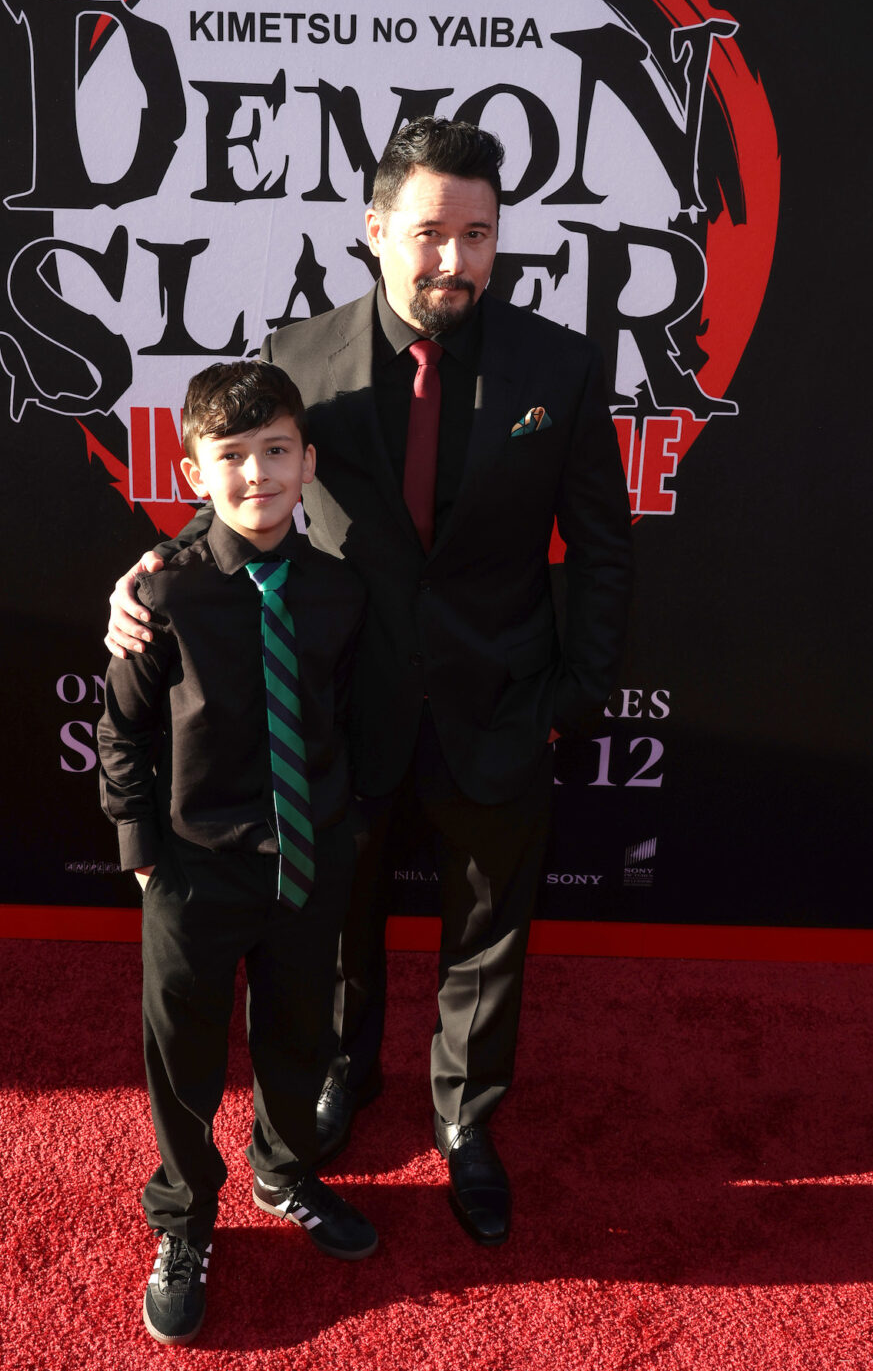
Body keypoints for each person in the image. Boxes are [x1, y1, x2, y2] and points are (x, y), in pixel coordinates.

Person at [106, 117, 632, 1248]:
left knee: (487, 929)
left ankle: (466, 1119)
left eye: (477, 235)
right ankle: (346, 1075)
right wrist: (151, 572)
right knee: (338, 920)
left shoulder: (557, 365)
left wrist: (576, 692)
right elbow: (239, 491)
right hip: (339, 705)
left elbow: (601, 544)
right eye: (431, 233)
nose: (455, 259)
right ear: (375, 230)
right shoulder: (301, 357)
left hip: (502, 698)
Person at [98, 360, 375, 1347]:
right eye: (231, 456)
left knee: (298, 1033)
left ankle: (283, 1172)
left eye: (275, 451)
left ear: (308, 462)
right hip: (192, 869)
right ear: (193, 473)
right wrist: (142, 853)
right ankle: (184, 1217)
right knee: (183, 1056)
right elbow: (121, 732)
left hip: (305, 860)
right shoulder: (160, 593)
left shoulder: (339, 591)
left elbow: (352, 718)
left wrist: (343, 831)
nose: (256, 473)